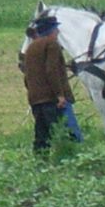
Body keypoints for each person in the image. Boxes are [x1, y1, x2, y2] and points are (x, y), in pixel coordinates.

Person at [22, 16, 78, 152]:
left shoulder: (31, 48)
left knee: (42, 136)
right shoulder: (52, 44)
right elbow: (52, 70)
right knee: (66, 134)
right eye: (56, 29)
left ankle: (41, 163)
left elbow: (27, 76)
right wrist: (60, 95)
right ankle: (68, 161)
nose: (58, 32)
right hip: (52, 100)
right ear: (51, 30)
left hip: (36, 100)